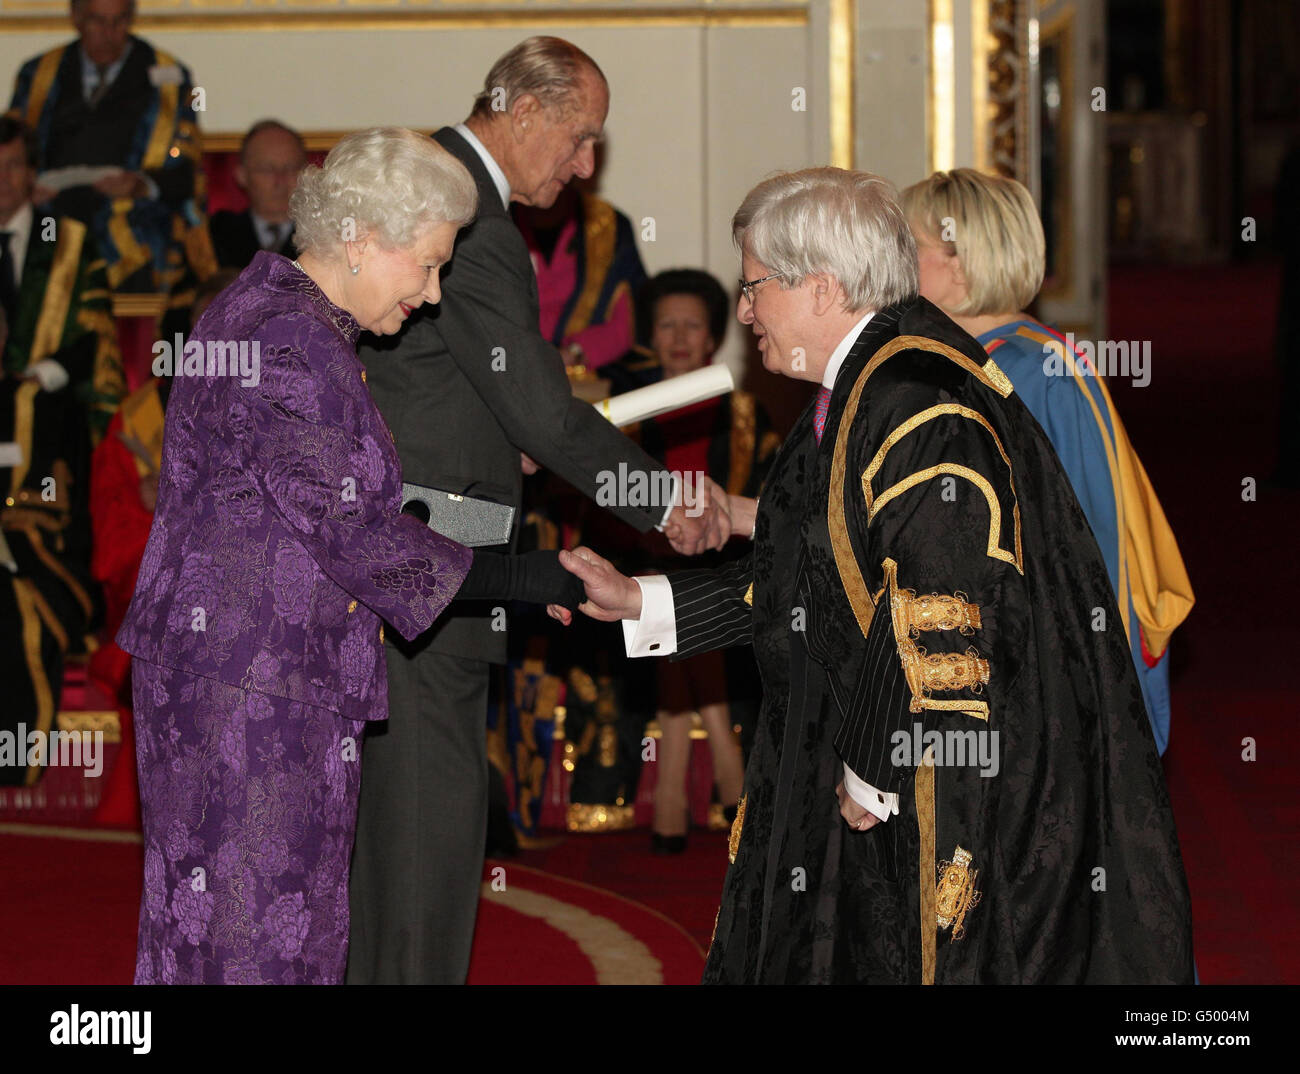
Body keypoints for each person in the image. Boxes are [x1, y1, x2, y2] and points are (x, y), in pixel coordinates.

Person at [558, 167, 1194, 984]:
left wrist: (873, 764)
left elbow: (949, 603)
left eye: (754, 287)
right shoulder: (859, 388)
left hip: (916, 788)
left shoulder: (917, 402)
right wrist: (641, 599)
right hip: (858, 761)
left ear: (821, 287)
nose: (743, 311)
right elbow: (804, 577)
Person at [114, 128, 583, 985]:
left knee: (232, 943)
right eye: (430, 263)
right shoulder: (291, 340)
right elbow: (356, 533)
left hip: (250, 680)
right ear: (364, 238)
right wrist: (529, 577)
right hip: (250, 696)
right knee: (253, 949)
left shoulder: (281, 316)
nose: (435, 295)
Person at [347, 36, 730, 985]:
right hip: (426, 574)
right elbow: (545, 412)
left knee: (401, 844)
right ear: (523, 113)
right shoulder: (466, 217)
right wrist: (661, 504)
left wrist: (502, 430)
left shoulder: (441, 190)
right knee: (425, 850)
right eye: (580, 137)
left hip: (415, 563)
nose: (588, 164)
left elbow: (448, 386)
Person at [902, 168, 1193, 755]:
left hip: (1047, 667)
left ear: (959, 263)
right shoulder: (986, 361)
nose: (894, 265)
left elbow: (1086, 541)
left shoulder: (1033, 374)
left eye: (908, 247)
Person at [610, 268, 781, 851]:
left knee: (681, 622)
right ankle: (731, 786)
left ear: (713, 337)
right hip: (639, 557)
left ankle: (670, 806)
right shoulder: (626, 409)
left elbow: (763, 499)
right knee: (670, 611)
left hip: (722, 562)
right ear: (648, 336)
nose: (680, 338)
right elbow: (600, 492)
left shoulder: (744, 413)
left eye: (693, 326)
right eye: (666, 326)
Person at [7, 0, 204, 292]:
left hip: (135, 224)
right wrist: (28, 185)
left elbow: (186, 170)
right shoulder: (38, 75)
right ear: (75, 17)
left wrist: (141, 184)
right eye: (97, 21)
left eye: (120, 21)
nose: (109, 33)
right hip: (51, 219)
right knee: (33, 251)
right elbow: (14, 151)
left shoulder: (172, 79)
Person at [0, 301, 96, 787]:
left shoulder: (41, 405)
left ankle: (13, 766)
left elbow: (58, 501)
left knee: (18, 615)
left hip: (21, 547)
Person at [0, 116, 124, 442]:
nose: (2, 178)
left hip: (54, 409)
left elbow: (96, 333)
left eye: (12, 165)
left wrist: (40, 377)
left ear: (31, 173)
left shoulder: (70, 244)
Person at [513, 183, 646, 370]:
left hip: (586, 377)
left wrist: (575, 352)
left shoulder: (609, 226)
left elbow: (627, 322)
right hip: (507, 371)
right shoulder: (492, 220)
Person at [209, 121, 307, 269]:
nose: (280, 180)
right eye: (266, 169)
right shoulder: (215, 235)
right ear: (241, 175)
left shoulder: (323, 240)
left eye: (291, 168)